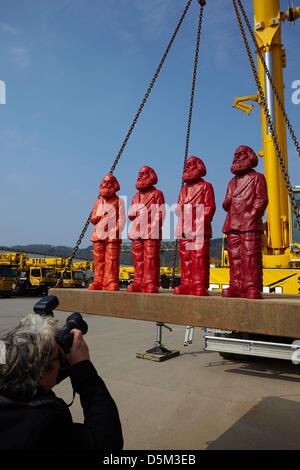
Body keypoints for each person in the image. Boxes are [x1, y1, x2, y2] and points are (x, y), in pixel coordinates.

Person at [0, 313, 123, 451]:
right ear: (40, 376)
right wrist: (83, 368)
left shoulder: (8, 372)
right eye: (59, 356)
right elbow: (107, 441)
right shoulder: (42, 428)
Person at [222, 145, 268, 299]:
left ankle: (250, 286)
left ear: (250, 156)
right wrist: (228, 200)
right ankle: (236, 285)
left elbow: (261, 199)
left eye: (241, 154)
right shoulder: (231, 182)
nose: (237, 157)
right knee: (234, 256)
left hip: (249, 223)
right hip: (233, 224)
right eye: (235, 154)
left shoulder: (257, 178)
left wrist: (253, 214)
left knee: (249, 255)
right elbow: (225, 203)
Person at [173, 156, 216, 296]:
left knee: (199, 257)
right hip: (185, 228)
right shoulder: (183, 190)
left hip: (199, 228)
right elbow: (179, 207)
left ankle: (199, 284)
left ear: (198, 166)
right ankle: (186, 283)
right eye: (186, 164)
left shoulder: (206, 186)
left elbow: (210, 207)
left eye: (191, 164)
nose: (187, 167)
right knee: (185, 258)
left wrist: (199, 223)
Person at [127, 166, 165, 294]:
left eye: (143, 174)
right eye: (139, 174)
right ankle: (138, 281)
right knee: (138, 258)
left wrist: (152, 226)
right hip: (137, 231)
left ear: (150, 176)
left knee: (150, 258)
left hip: (150, 231)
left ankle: (150, 282)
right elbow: (131, 214)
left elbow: (160, 213)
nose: (140, 176)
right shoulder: (135, 196)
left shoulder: (157, 194)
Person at [88, 173, 126, 291]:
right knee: (98, 259)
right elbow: (93, 219)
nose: (106, 184)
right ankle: (98, 280)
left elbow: (122, 219)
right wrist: (99, 216)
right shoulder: (97, 202)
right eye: (104, 182)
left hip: (112, 235)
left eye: (109, 182)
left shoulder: (119, 201)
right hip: (98, 235)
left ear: (114, 185)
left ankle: (110, 280)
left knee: (112, 259)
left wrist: (116, 230)